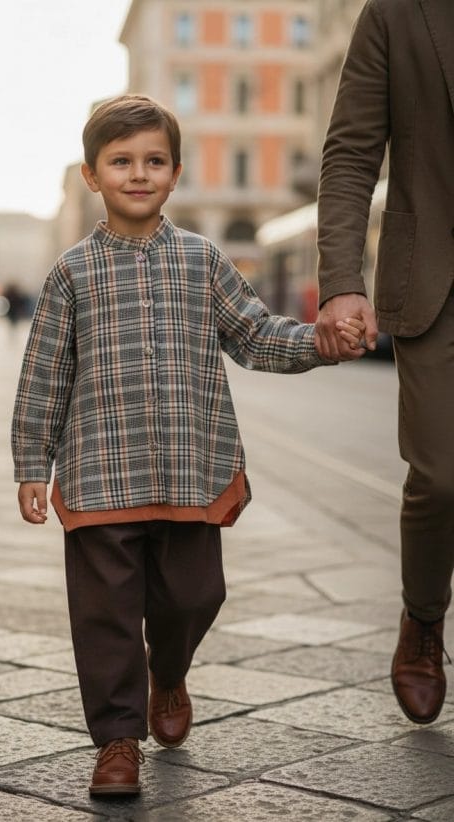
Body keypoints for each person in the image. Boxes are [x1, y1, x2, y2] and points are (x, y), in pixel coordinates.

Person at [12, 94, 365, 796]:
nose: (137, 174)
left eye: (153, 161)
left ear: (175, 173)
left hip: (190, 469)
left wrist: (320, 344)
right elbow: (43, 373)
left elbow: (258, 336)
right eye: (121, 162)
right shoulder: (70, 273)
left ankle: (167, 671)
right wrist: (31, 463)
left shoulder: (204, 261)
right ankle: (117, 739)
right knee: (104, 614)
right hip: (98, 474)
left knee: (194, 596)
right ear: (92, 175)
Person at [314, 0, 454, 725]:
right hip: (438, 277)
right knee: (440, 473)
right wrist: (341, 280)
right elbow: (350, 153)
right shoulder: (396, 12)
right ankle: (424, 619)